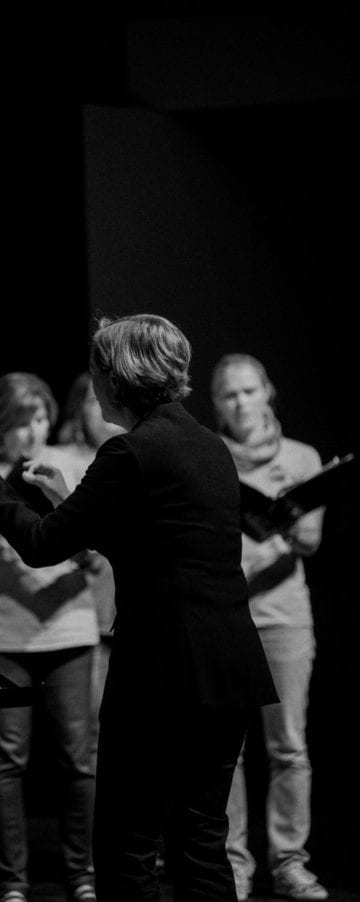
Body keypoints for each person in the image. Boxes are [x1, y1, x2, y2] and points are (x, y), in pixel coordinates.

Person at [0, 314, 279, 902]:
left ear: (118, 379)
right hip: (228, 669)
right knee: (199, 842)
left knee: (127, 845)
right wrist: (68, 499)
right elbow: (153, 545)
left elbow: (42, 545)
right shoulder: (209, 445)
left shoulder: (129, 451)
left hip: (163, 672)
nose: (92, 386)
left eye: (97, 371)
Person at [0, 371, 99, 902]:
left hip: (68, 630)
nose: (31, 432)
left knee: (78, 758)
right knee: (6, 761)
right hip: (0, 636)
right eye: (18, 423)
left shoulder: (70, 466)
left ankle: (82, 873)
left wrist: (68, 530)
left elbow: (97, 558)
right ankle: (12, 879)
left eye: (38, 419)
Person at [211, 353, 327, 902]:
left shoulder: (301, 457)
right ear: (217, 404)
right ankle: (235, 865)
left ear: (267, 393)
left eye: (249, 391)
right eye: (229, 394)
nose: (241, 403)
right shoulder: (210, 458)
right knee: (227, 752)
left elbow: (310, 540)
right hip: (227, 620)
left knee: (289, 748)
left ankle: (289, 864)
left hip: (284, 620)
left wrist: (268, 542)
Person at [56, 372, 124, 767]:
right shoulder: (61, 460)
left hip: (136, 616)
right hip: (85, 620)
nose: (103, 410)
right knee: (96, 734)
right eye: (93, 401)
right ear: (78, 409)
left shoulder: (141, 456)